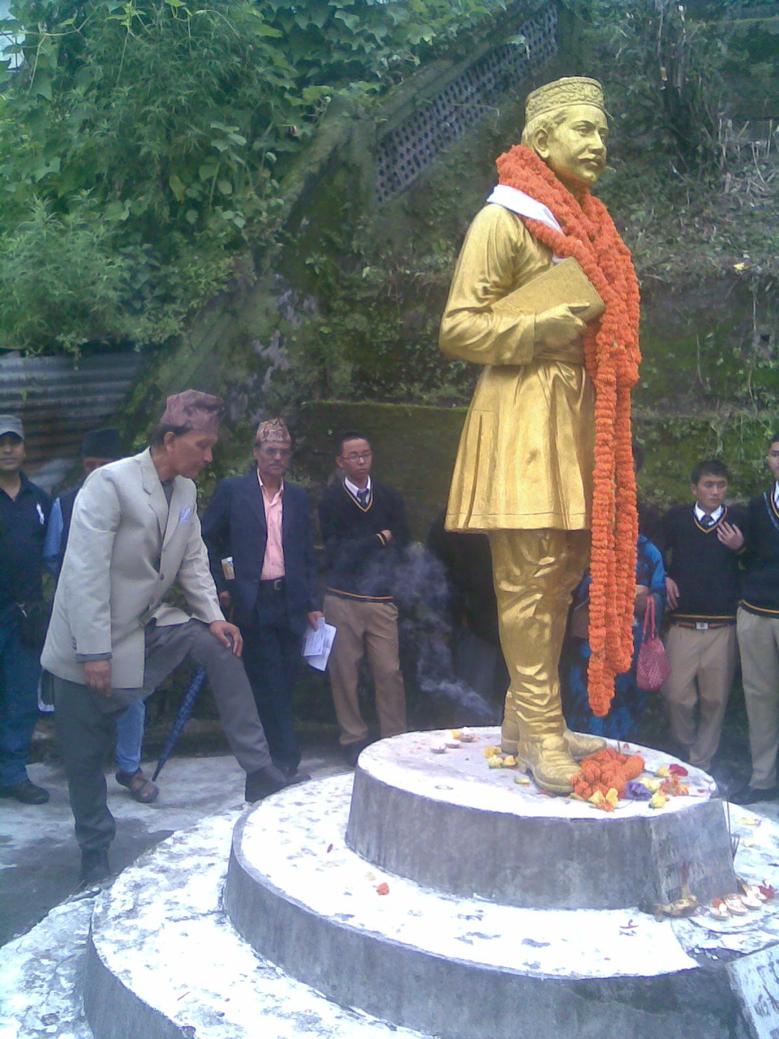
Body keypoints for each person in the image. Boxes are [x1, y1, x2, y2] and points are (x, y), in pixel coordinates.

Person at [439, 76, 641, 793]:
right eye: (584, 129)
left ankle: (524, 722)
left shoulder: (594, 226)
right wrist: (543, 326)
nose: (598, 143)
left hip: (580, 408)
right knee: (527, 579)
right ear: (542, 138)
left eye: (603, 131)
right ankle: (544, 732)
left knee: (559, 578)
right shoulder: (504, 218)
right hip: (523, 408)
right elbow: (458, 327)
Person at [41, 391, 299, 888]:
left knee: (220, 647)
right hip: (87, 641)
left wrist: (213, 616)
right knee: (85, 756)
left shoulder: (184, 493)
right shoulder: (109, 484)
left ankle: (259, 769)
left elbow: (194, 559)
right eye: (202, 446)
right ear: (169, 439)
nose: (209, 457)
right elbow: (83, 573)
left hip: (148, 626)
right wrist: (94, 651)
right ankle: (94, 853)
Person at [202, 418, 322, 780]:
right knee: (267, 679)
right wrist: (223, 583)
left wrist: (312, 602)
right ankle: (284, 760)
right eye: (270, 450)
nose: (277, 457)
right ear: (256, 453)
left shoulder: (296, 497)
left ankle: (274, 754)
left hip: (290, 598)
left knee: (286, 677)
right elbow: (207, 540)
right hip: (253, 599)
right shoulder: (234, 491)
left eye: (284, 452)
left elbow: (306, 552)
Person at [43, 427, 158, 804]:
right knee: (76, 699)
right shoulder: (64, 504)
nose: (95, 473)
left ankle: (130, 768)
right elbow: (54, 558)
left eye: (102, 465)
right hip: (77, 619)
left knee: (130, 694)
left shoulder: (139, 506)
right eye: (89, 465)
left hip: (125, 620)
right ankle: (83, 775)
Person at [319, 432, 408, 766]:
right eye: (353, 456)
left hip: (382, 598)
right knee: (344, 673)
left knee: (389, 671)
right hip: (342, 599)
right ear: (340, 462)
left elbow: (402, 542)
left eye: (365, 454)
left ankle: (394, 737)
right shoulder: (331, 500)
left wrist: (367, 546)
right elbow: (335, 551)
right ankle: (352, 737)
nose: (360, 460)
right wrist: (378, 539)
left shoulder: (389, 497)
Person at [662, 459, 745, 774]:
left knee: (715, 701)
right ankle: (684, 749)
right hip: (682, 625)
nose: (715, 491)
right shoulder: (676, 518)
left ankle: (701, 763)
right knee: (676, 696)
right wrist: (662, 578)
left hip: (722, 627)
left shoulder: (738, 520)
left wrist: (740, 547)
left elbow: (757, 559)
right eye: (708, 485)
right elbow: (652, 551)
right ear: (694, 488)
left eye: (721, 485)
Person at [563, 534, 665, 742]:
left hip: (628, 645)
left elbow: (659, 596)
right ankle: (584, 750)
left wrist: (644, 600)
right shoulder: (584, 546)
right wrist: (613, 589)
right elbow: (566, 588)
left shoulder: (648, 551)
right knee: (585, 701)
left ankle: (620, 753)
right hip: (588, 645)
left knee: (624, 705)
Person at [0, 415, 51, 804]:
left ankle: (13, 774)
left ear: (24, 447)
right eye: (1, 443)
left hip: (26, 617)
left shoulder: (40, 500)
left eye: (13, 442)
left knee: (21, 699)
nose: (7, 449)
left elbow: (53, 556)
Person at [732, 435, 779, 804]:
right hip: (758, 611)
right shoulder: (757, 505)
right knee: (759, 697)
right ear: (768, 459)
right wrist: (740, 547)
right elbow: (751, 557)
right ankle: (763, 779)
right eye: (777, 454)